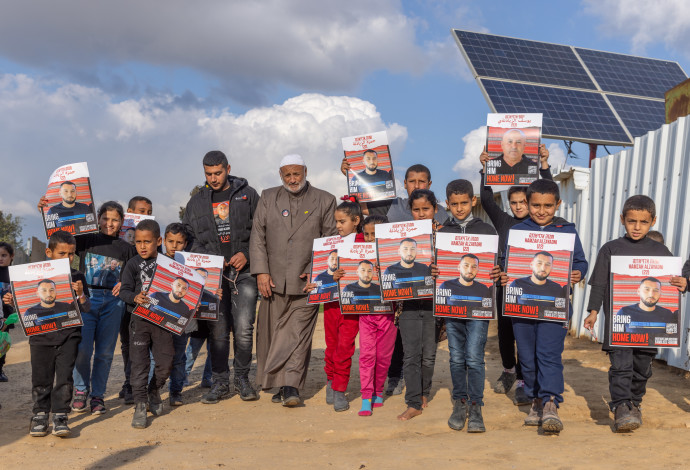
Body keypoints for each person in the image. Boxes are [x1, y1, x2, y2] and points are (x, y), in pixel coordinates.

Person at [341, 163, 447, 396]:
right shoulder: (394, 205)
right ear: (404, 184)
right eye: (411, 181)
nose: (416, 185)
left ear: (429, 184)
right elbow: (365, 201)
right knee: (400, 335)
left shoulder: (441, 213)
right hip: (397, 286)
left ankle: (420, 382)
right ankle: (395, 376)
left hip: (428, 287)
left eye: (421, 181)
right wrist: (352, 174)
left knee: (427, 340)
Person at [584, 195, 686, 432]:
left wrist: (681, 282)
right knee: (621, 366)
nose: (637, 227)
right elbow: (599, 283)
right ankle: (621, 406)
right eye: (631, 221)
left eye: (643, 222)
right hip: (620, 325)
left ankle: (635, 403)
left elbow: (671, 285)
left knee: (642, 368)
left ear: (653, 221)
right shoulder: (611, 248)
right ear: (622, 219)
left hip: (650, 328)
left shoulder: (661, 251)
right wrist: (593, 311)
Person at [250, 154, 337, 406]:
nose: (292, 179)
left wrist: (316, 268)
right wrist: (261, 272)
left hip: (307, 282)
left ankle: (291, 387)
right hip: (273, 281)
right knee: (273, 335)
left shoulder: (325, 200)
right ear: (280, 175)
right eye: (287, 174)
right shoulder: (268, 197)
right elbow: (257, 236)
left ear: (305, 171)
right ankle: (279, 383)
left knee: (298, 335)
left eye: (296, 173)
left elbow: (330, 238)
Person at [502, 179, 588, 433]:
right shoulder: (518, 232)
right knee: (527, 358)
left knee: (548, 355)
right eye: (536, 205)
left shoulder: (567, 230)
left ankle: (550, 402)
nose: (541, 211)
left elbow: (581, 262)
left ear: (558, 204)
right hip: (522, 308)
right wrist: (504, 275)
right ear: (527, 204)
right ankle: (535, 400)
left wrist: (577, 273)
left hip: (554, 306)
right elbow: (507, 263)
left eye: (548, 206)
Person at [39, 197, 136, 415]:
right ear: (97, 218)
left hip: (114, 303)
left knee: (104, 353)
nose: (109, 224)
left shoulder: (127, 248)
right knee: (82, 350)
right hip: (85, 299)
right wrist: (45, 211)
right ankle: (81, 390)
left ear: (122, 223)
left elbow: (135, 273)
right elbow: (58, 235)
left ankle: (97, 396)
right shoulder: (85, 240)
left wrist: (125, 283)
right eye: (105, 218)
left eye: (115, 220)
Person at [182, 150, 260, 403]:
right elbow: (189, 239)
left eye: (218, 172)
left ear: (228, 168)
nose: (214, 178)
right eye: (208, 174)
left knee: (244, 329)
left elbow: (262, 231)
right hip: (212, 277)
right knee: (218, 332)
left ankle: (242, 380)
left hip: (244, 273)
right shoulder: (196, 203)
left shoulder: (248, 195)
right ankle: (220, 383)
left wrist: (246, 253)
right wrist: (211, 259)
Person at [479, 144, 552, 404]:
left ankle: (523, 377)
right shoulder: (504, 222)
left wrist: (544, 166)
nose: (520, 206)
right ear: (509, 204)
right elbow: (486, 199)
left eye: (524, 202)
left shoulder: (541, 224)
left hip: (533, 287)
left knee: (527, 333)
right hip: (505, 284)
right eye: (514, 202)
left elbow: (549, 193)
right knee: (506, 331)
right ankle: (509, 369)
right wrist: (486, 169)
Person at [437, 179, 499, 433]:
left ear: (473, 200)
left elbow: (497, 262)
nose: (460, 208)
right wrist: (434, 270)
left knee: (474, 357)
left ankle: (476, 406)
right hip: (451, 307)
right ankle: (459, 402)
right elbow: (436, 265)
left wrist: (497, 270)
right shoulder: (443, 233)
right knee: (456, 357)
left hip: (478, 309)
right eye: (454, 204)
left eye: (464, 202)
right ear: (447, 203)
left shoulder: (486, 230)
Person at [17, 230, 91, 437]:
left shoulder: (77, 277)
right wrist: (12, 301)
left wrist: (80, 295)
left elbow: (86, 308)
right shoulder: (33, 277)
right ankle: (40, 415)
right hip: (40, 339)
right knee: (41, 377)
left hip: (69, 336)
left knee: (65, 378)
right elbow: (24, 309)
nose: (67, 259)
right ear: (49, 252)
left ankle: (60, 415)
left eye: (71, 254)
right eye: (62, 253)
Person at [303, 200, 361, 412]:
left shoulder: (364, 243)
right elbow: (320, 275)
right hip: (331, 305)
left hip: (353, 307)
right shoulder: (329, 244)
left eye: (342, 221)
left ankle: (339, 389)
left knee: (345, 348)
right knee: (332, 346)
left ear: (356, 221)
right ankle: (330, 379)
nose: (338, 226)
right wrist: (313, 284)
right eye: (336, 221)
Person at [118, 219, 174, 429]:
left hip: (162, 322)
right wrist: (134, 298)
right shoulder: (132, 264)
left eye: (147, 242)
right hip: (139, 321)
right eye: (138, 241)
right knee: (139, 366)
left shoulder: (169, 263)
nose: (142, 246)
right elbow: (124, 291)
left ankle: (153, 390)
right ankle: (141, 405)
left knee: (166, 363)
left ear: (158, 241)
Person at [396, 189, 441, 421]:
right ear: (410, 211)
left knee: (429, 356)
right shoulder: (399, 236)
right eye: (416, 209)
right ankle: (413, 402)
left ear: (435, 209)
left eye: (426, 209)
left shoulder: (445, 235)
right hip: (409, 305)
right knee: (411, 355)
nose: (421, 213)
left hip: (435, 305)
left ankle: (424, 392)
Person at [355, 214, 397, 416]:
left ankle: (378, 390)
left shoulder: (395, 257)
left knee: (383, 357)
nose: (370, 238)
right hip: (366, 314)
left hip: (389, 315)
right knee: (366, 355)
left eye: (375, 234)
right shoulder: (357, 257)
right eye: (367, 234)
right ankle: (365, 396)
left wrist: (387, 271)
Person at [118, 195, 154, 403]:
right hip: (120, 294)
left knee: (136, 343)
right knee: (125, 343)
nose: (145, 216)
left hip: (138, 299)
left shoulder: (146, 244)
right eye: (140, 211)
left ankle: (134, 384)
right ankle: (128, 381)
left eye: (148, 213)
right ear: (130, 212)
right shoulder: (120, 236)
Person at [0, 241, 15, 382]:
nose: (1, 258)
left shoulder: (14, 275)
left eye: (4, 255)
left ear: (11, 256)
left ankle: (0, 369)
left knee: (3, 343)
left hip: (6, 316)